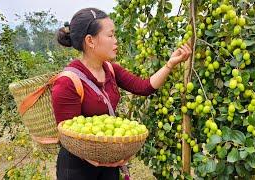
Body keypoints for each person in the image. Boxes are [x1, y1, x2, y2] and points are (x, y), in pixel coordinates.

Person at [52, 7, 191, 180]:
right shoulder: (67, 82)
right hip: (78, 170)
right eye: (110, 36)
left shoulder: (110, 69)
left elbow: (144, 87)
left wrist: (170, 64)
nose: (116, 41)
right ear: (90, 41)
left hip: (109, 162)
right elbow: (68, 136)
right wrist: (95, 159)